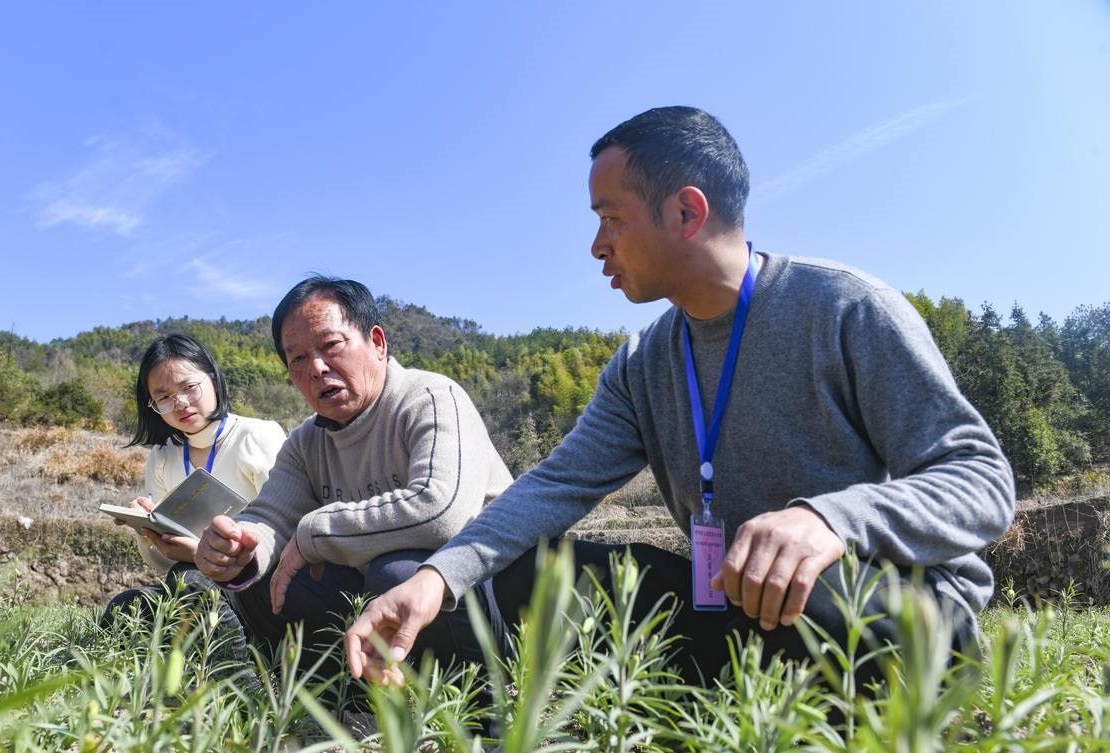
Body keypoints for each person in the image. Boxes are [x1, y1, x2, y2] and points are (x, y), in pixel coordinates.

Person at [344, 106, 1016, 687]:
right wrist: (435, 579)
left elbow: (981, 481)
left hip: (890, 606)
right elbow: (555, 484)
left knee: (801, 588)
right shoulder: (643, 363)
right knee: (510, 575)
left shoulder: (843, 308)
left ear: (687, 212)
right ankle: (712, 695)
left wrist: (828, 521)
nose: (597, 245)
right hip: (737, 607)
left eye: (611, 218)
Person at [193, 276, 514, 670]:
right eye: (298, 359)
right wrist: (238, 546)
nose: (317, 368)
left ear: (377, 342)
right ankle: (343, 695)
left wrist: (314, 533)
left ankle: (483, 695)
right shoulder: (306, 442)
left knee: (398, 572)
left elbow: (442, 512)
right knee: (264, 576)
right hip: (380, 599)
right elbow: (270, 517)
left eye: (331, 345)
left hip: (491, 593)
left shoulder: (431, 398)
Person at [102, 333, 286, 649]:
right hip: (193, 583)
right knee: (124, 608)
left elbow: (286, 530)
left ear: (213, 378)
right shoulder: (163, 457)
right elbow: (163, 563)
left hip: (260, 586)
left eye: (189, 387)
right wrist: (146, 530)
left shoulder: (256, 436)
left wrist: (203, 553)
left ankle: (238, 669)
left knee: (190, 583)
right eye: (163, 397)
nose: (181, 403)